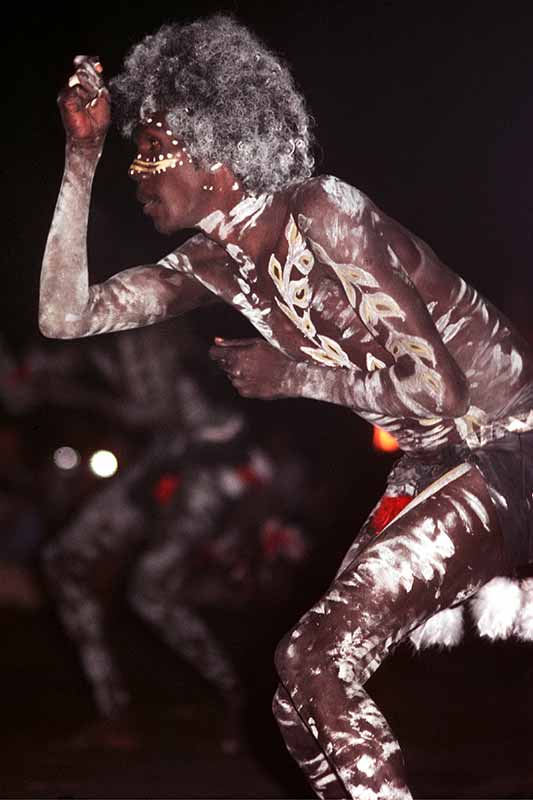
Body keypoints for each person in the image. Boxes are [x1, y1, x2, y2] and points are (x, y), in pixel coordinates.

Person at [39, 15, 533, 799]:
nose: (138, 171)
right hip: (436, 461)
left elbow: (440, 390)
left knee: (315, 658)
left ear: (216, 159)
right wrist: (81, 155)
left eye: (151, 151)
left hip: (505, 447)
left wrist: (292, 375)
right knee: (293, 689)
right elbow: (65, 317)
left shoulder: (320, 211)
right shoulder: (213, 263)